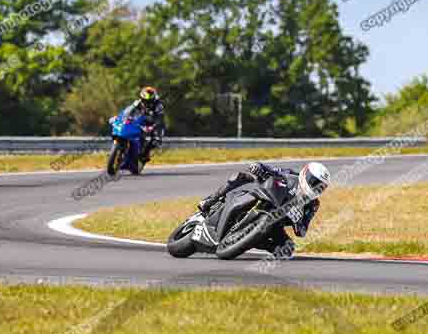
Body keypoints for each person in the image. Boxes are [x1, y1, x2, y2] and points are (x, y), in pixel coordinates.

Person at [197, 161, 331, 258]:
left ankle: (248, 241)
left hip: (274, 224)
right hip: (265, 197)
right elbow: (271, 170)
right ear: (306, 174)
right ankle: (211, 200)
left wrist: (298, 222)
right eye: (314, 182)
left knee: (287, 250)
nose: (316, 188)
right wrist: (259, 167)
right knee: (241, 176)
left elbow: (302, 231)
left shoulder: (313, 205)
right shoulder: (291, 175)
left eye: (321, 187)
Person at [122, 86, 165, 161]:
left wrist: (153, 126)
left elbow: (160, 119)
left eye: (147, 101)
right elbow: (129, 110)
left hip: (155, 123)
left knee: (156, 140)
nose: (144, 102)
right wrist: (125, 116)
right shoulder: (138, 102)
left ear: (152, 99)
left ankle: (145, 154)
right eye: (143, 100)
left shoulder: (158, 105)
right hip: (141, 120)